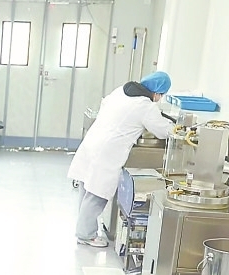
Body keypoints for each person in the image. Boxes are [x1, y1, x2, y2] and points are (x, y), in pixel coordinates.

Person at [68, 71, 175, 247]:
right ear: (157, 93)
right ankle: (86, 234)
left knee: (87, 188)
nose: (160, 98)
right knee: (96, 194)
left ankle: (84, 230)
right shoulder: (145, 106)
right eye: (161, 95)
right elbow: (163, 130)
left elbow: (105, 104)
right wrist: (177, 128)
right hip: (107, 151)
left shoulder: (121, 91)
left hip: (94, 140)